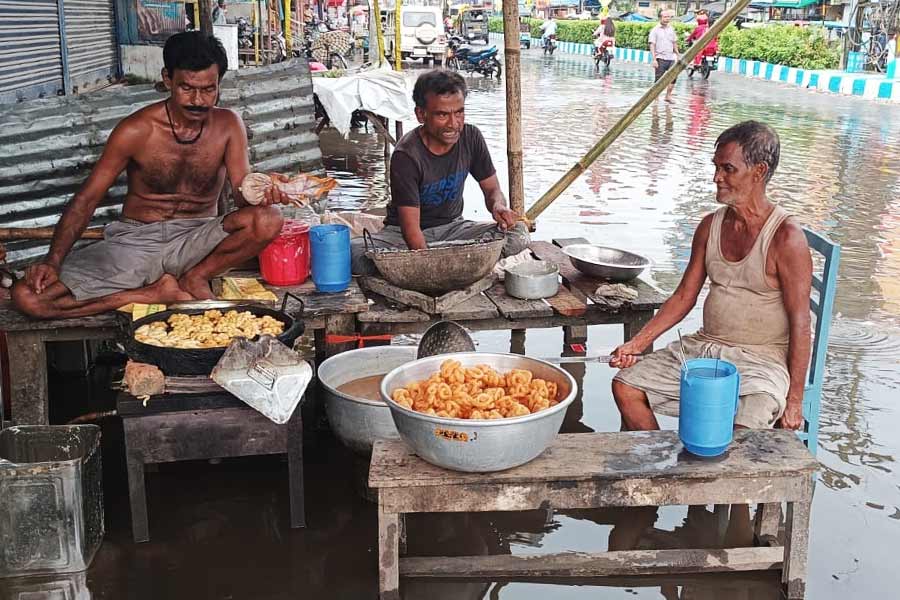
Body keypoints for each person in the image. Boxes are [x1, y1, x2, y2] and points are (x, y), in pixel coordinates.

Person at [12, 32, 292, 319]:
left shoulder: (229, 124)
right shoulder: (135, 130)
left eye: (209, 90)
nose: (198, 100)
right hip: (135, 242)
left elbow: (241, 194)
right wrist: (53, 261)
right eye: (187, 88)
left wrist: (264, 189)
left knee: (269, 218)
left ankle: (194, 277)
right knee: (27, 298)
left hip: (197, 240)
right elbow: (86, 200)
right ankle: (150, 293)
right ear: (167, 79)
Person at [610, 121, 813, 433]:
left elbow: (801, 323)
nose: (717, 178)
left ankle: (707, 476)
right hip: (703, 349)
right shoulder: (710, 226)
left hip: (761, 361)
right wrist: (636, 344)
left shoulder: (786, 238)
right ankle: (663, 471)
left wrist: (795, 401)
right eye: (716, 167)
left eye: (728, 169)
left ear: (758, 172)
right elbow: (683, 297)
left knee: (745, 425)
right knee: (626, 386)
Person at [350, 70, 529, 276]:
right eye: (442, 115)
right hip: (404, 235)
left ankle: (450, 261)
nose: (454, 124)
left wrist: (498, 205)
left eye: (459, 112)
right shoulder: (406, 155)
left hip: (454, 228)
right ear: (421, 114)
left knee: (518, 233)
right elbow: (411, 231)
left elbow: (492, 190)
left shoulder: (471, 136)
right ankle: (458, 263)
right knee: (355, 256)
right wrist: (430, 268)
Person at [649, 9, 679, 103]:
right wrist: (654, 59)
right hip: (660, 58)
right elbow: (652, 44)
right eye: (665, 17)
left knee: (673, 76)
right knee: (659, 79)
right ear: (660, 18)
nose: (667, 19)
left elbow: (674, 42)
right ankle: (655, 97)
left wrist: (678, 54)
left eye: (668, 17)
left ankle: (668, 96)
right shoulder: (655, 30)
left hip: (671, 57)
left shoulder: (671, 29)